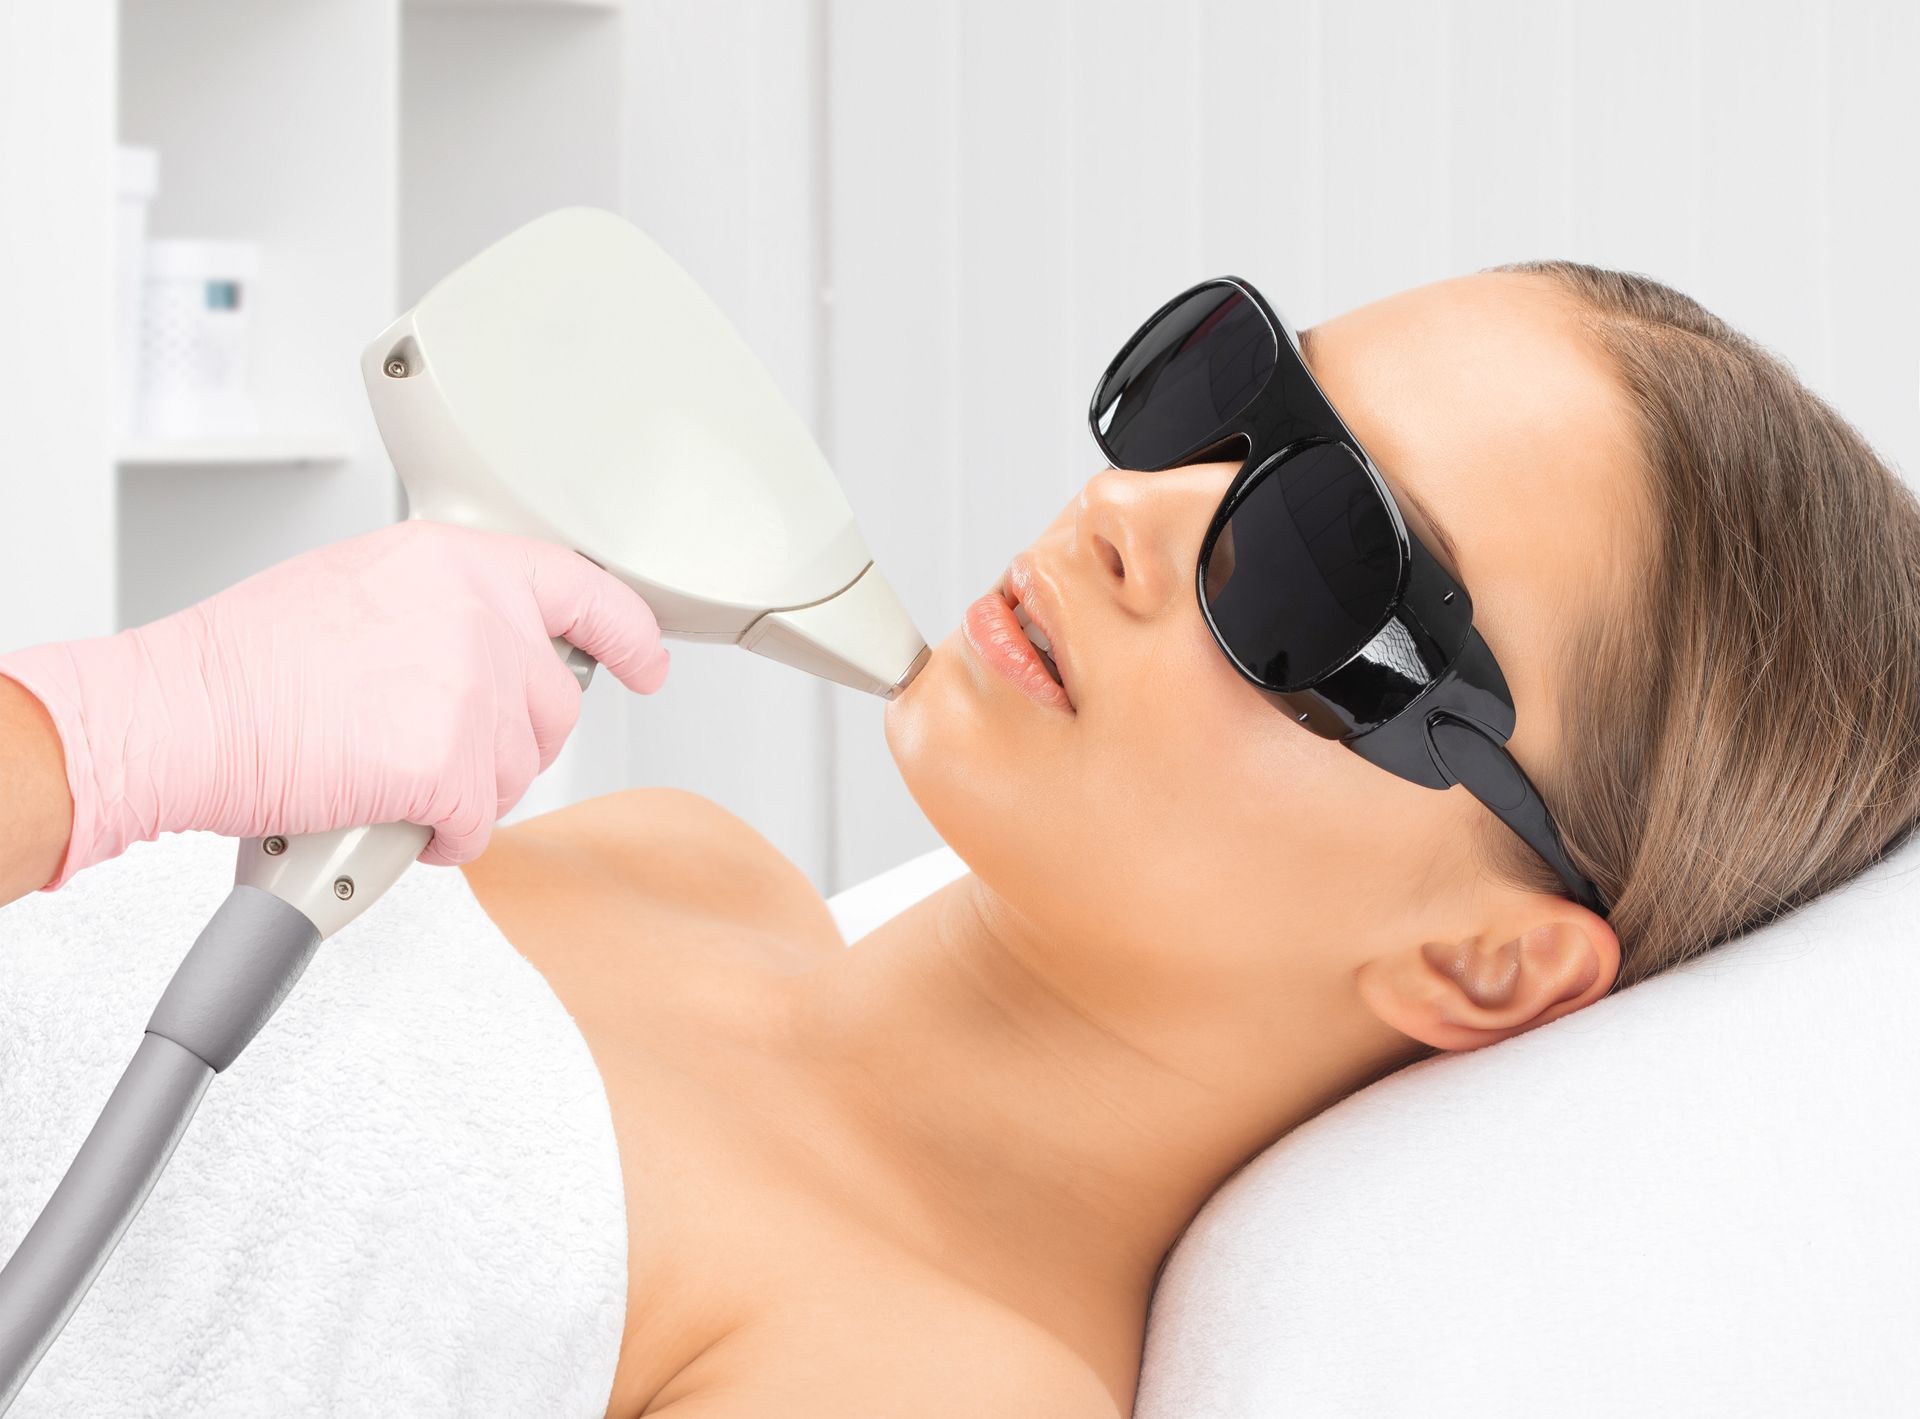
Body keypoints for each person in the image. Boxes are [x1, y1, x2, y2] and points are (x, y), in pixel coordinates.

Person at [2, 261, 1916, 1418]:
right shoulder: (676, 864)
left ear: (1483, 962)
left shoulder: (928, 1389)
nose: (1131, 509)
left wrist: (101, 754)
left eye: (1327, 564)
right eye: (1229, 409)